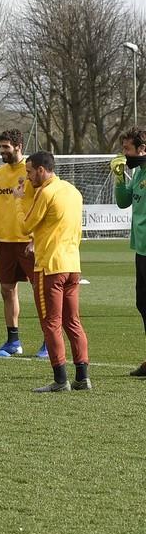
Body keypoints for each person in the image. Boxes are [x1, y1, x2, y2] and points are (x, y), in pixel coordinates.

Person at [21, 152, 89, 393]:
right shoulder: (73, 191)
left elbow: (26, 225)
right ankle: (83, 377)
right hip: (73, 264)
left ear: (41, 170)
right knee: (73, 322)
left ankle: (60, 380)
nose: (27, 178)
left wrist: (22, 198)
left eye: (29, 172)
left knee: (51, 324)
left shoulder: (45, 192)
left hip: (50, 266)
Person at [0, 129, 47, 358]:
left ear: (18, 146)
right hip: (7, 242)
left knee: (40, 291)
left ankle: (48, 342)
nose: (2, 151)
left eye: (5, 147)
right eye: (0, 147)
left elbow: (41, 204)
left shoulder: (31, 170)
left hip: (28, 241)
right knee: (6, 289)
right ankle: (13, 342)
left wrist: (34, 238)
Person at [111, 126, 146, 377]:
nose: (124, 154)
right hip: (141, 250)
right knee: (142, 304)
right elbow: (123, 202)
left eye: (127, 150)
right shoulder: (139, 173)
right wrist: (120, 176)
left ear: (142, 149)